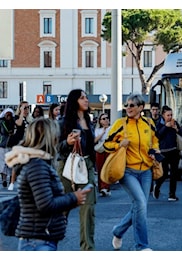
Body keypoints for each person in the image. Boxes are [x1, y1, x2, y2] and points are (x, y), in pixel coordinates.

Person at [4, 117, 91, 251]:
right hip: (38, 239)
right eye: (56, 134)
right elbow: (45, 204)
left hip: (38, 237)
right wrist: (74, 198)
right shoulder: (37, 166)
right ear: (48, 137)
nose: (58, 138)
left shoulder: (36, 163)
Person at [104, 93, 160, 251]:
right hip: (127, 171)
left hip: (146, 170)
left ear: (141, 107)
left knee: (140, 206)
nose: (128, 108)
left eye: (132, 105)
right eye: (126, 105)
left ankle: (118, 231)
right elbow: (107, 144)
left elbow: (154, 141)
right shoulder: (120, 124)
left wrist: (155, 150)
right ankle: (142, 246)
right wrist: (119, 145)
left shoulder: (149, 124)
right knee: (141, 204)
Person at [56, 89, 97, 250]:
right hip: (67, 168)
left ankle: (87, 250)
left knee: (88, 211)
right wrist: (67, 142)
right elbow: (57, 149)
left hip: (86, 167)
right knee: (61, 210)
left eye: (86, 97)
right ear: (74, 102)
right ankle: (47, 245)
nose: (86, 100)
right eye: (82, 98)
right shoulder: (62, 123)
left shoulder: (89, 122)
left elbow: (91, 147)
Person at [153, 105, 182, 202]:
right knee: (164, 173)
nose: (170, 117)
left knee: (174, 174)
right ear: (163, 115)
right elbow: (157, 136)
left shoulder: (175, 123)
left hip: (174, 151)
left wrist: (177, 130)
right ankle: (157, 187)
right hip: (164, 152)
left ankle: (172, 195)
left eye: (171, 115)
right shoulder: (159, 124)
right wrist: (166, 127)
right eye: (168, 115)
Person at [94, 113, 111, 197]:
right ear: (100, 121)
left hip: (109, 149)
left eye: (107, 118)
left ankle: (105, 187)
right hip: (100, 149)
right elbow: (95, 140)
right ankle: (101, 187)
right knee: (100, 168)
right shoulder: (97, 130)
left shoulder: (112, 128)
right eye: (103, 119)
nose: (106, 120)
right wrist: (102, 132)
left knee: (107, 168)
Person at [0, 108, 16, 188]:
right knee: (3, 163)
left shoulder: (14, 122)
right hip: (3, 145)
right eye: (7, 114)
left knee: (11, 163)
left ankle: (11, 179)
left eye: (10, 114)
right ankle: (4, 179)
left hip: (12, 145)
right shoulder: (1, 122)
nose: (8, 116)